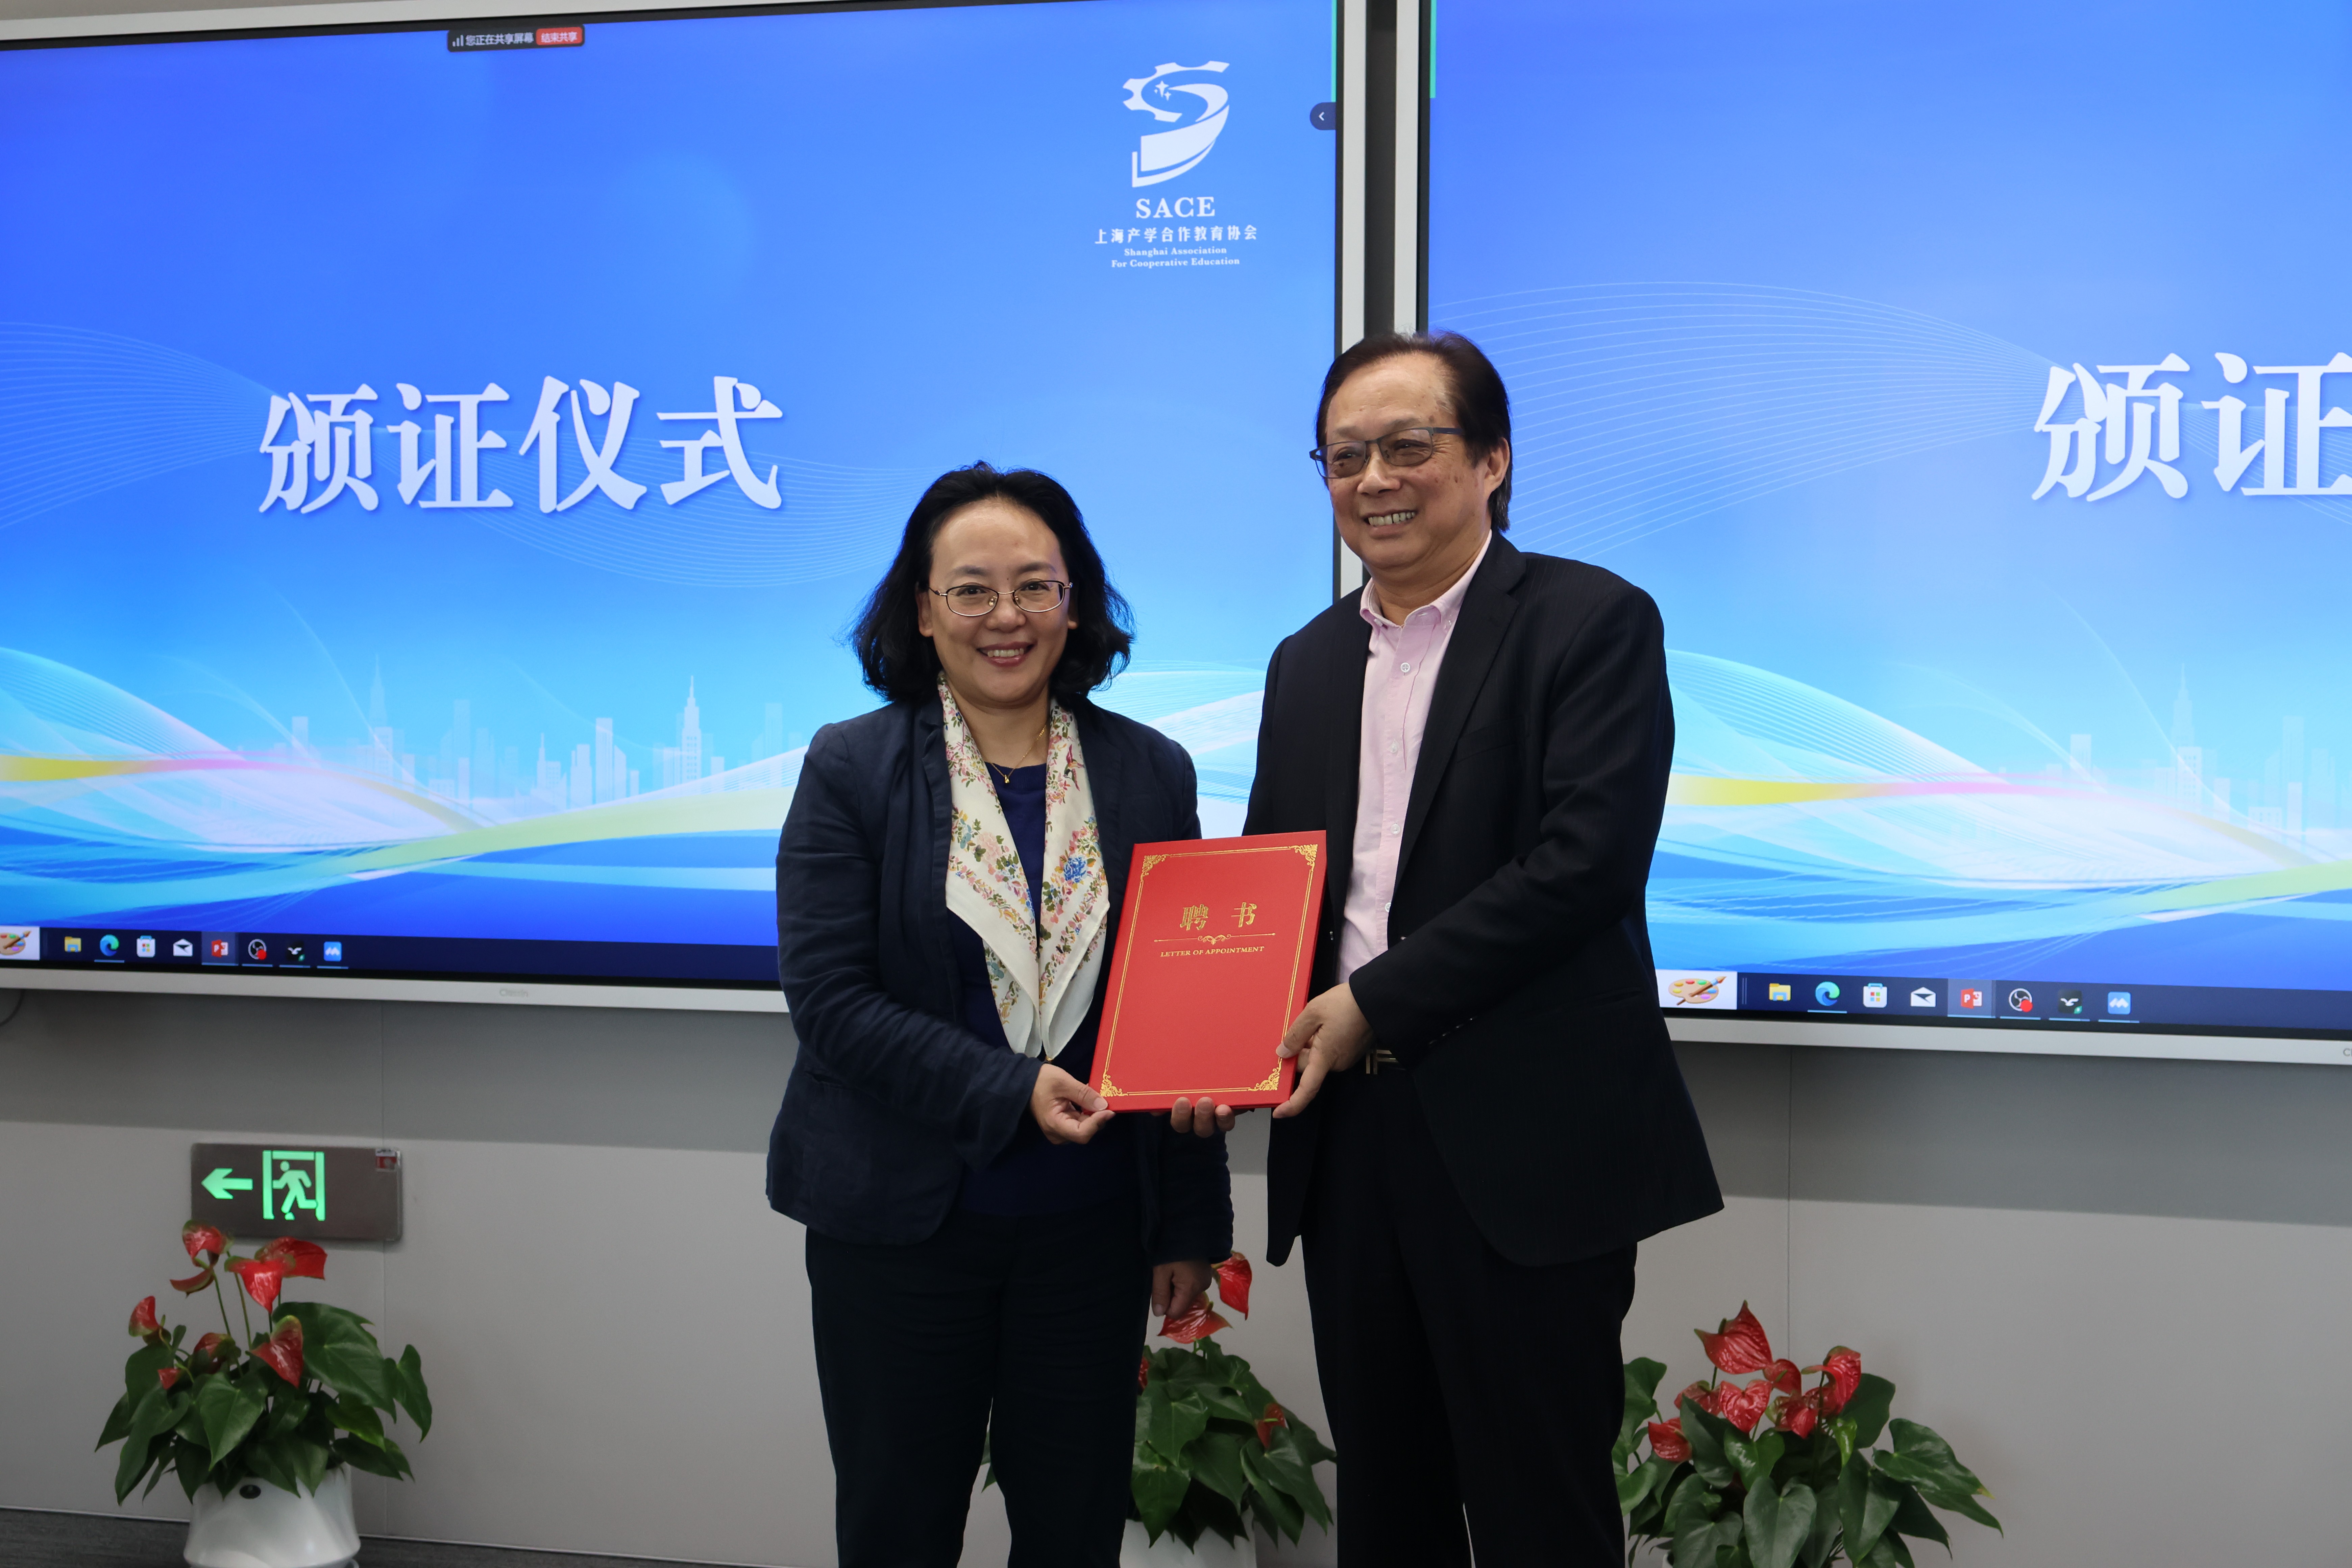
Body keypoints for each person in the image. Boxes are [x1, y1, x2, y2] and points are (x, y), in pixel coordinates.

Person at [1241, 333, 1723, 1565]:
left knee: (1540, 1513)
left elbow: (1584, 866)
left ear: (1493, 460)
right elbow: (1273, 889)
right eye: (1345, 456)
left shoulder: (1591, 621)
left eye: (1409, 446)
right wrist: (1218, 1034)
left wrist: (1373, 999)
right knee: (1387, 1509)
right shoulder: (1304, 664)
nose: (1375, 479)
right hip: (1350, 1142)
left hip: (1524, 1145)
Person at [769, 463, 1232, 1568]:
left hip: (1089, 1233)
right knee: (899, 1524)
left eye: (1034, 586)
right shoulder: (852, 767)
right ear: (924, 612)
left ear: (1075, 603)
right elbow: (831, 1001)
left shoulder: (1149, 771)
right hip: (902, 1228)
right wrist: (1010, 1088)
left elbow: (1178, 1002)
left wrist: (1187, 1224)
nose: (1005, 616)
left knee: (1073, 1529)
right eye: (971, 590)